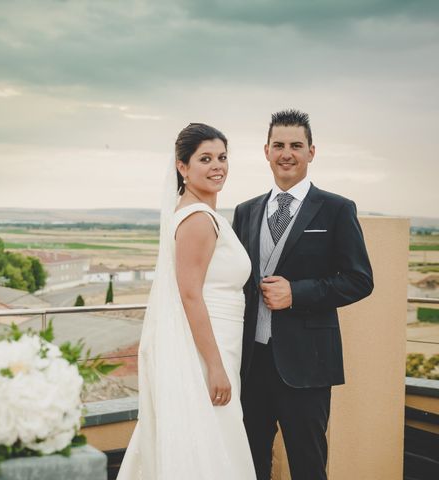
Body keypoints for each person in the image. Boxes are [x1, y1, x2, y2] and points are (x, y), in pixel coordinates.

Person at [232, 109, 374, 480]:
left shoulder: (337, 209)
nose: (286, 153)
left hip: (307, 367)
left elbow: (360, 279)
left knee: (308, 466)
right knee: (250, 463)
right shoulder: (246, 212)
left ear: (312, 152)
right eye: (278, 145)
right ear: (266, 151)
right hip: (252, 365)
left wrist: (297, 293)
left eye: (296, 145)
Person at [118, 123, 255, 479]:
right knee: (215, 437)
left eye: (223, 157)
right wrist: (214, 366)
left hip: (220, 341)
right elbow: (190, 294)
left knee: (209, 435)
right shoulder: (197, 219)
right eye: (205, 159)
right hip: (209, 349)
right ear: (182, 167)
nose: (217, 166)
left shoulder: (194, 212)